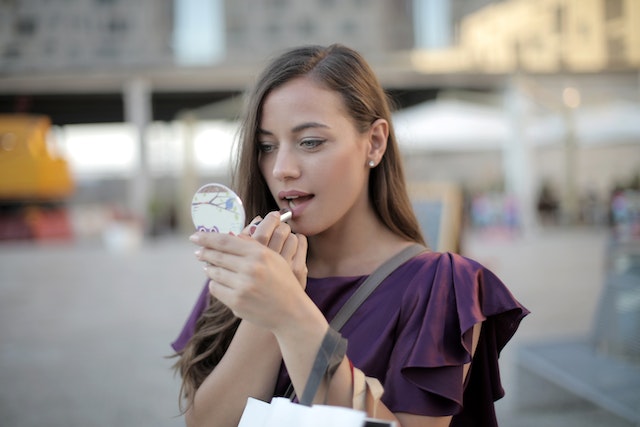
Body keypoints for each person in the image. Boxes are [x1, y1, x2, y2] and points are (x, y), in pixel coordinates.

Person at [171, 44, 529, 427]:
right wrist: (265, 307)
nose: (281, 169)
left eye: (310, 142)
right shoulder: (248, 269)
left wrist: (290, 313)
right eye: (266, 146)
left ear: (373, 143)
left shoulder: (441, 287)